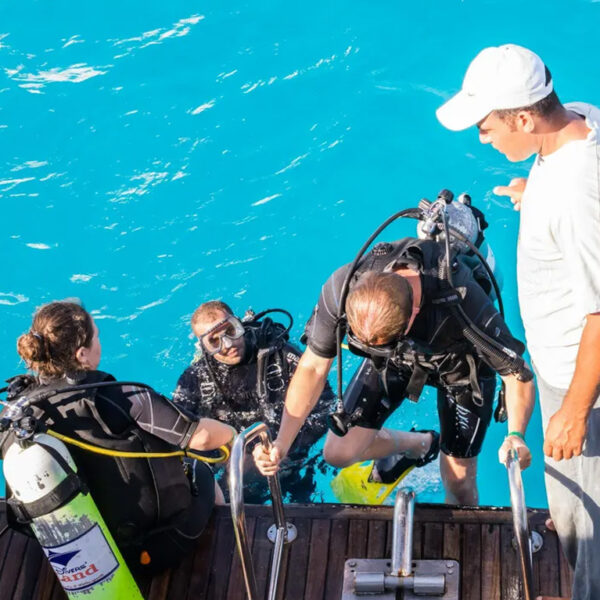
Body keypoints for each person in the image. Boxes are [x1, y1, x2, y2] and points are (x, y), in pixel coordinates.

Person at [436, 43, 600, 600]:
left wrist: (576, 410)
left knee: (593, 528)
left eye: (486, 129)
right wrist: (536, 194)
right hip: (559, 364)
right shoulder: (576, 118)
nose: (483, 140)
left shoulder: (579, 191)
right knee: (569, 497)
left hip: (583, 380)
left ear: (525, 117)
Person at [253, 235, 535, 505]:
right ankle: (420, 445)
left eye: (382, 345)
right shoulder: (342, 286)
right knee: (337, 453)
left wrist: (516, 435)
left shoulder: (462, 300)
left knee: (459, 482)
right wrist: (282, 442)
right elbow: (313, 368)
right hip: (395, 359)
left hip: (462, 367)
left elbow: (517, 374)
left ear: (413, 314)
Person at [0, 300, 235, 577]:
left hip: (73, 558)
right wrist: (233, 433)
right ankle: (226, 545)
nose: (100, 340)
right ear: (82, 354)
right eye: (97, 335)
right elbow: (202, 437)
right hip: (149, 548)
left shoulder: (19, 411)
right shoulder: (123, 398)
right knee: (202, 470)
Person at [172, 300, 335, 503]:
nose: (228, 344)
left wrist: (286, 449)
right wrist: (227, 457)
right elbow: (178, 432)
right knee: (226, 492)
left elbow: (325, 405)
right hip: (238, 458)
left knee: (301, 490)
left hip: (287, 453)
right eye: (215, 341)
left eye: (231, 331)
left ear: (239, 324)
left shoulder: (280, 355)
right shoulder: (196, 377)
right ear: (204, 347)